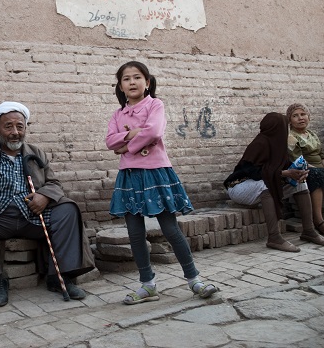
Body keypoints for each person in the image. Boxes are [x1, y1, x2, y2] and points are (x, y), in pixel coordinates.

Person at [0, 101, 95, 307]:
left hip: (34, 216)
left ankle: (60, 277)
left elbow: (54, 183)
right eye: (8, 126)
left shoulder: (37, 153)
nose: (15, 132)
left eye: (20, 126)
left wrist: (44, 196)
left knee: (68, 209)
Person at [106, 61, 218, 305]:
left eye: (137, 77)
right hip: (130, 176)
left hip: (156, 173)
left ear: (147, 82)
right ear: (121, 86)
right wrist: (133, 134)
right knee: (135, 234)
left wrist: (127, 147)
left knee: (170, 229)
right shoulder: (118, 114)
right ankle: (147, 285)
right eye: (126, 79)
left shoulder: (156, 105)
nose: (132, 82)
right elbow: (109, 141)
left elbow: (154, 131)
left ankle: (194, 280)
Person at [224, 112, 324, 251]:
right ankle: (274, 238)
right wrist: (284, 173)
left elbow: (282, 165)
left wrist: (298, 172)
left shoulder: (278, 145)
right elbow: (253, 172)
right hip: (239, 187)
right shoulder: (259, 143)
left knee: (301, 182)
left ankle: (309, 231)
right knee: (267, 185)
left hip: (258, 187)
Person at [286, 103, 324, 235]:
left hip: (319, 167)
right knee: (318, 174)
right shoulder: (291, 137)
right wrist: (317, 168)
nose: (300, 118)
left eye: (303, 114)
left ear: (308, 116)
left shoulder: (312, 134)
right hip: (305, 169)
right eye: (295, 116)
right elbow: (296, 159)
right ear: (290, 120)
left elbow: (321, 154)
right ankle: (318, 220)